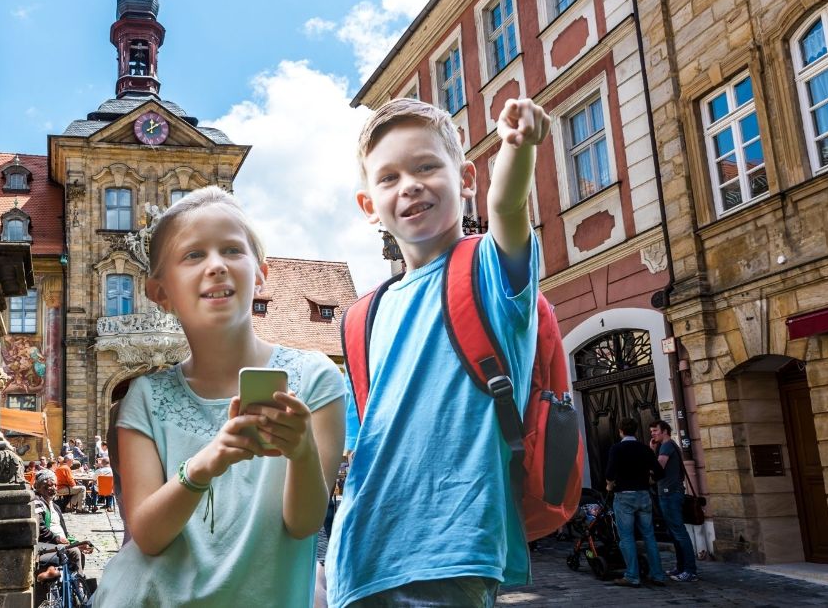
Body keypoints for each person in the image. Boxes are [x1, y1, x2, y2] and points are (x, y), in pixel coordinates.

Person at [326, 98, 550, 607]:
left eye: (427, 166)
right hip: (356, 562)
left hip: (451, 556)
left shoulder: (491, 274)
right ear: (369, 206)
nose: (409, 184)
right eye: (388, 178)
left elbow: (508, 210)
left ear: (466, 177)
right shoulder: (363, 317)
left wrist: (518, 148)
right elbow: (354, 448)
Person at [92, 186, 346, 607]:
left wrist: (300, 452)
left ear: (260, 272)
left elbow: (302, 525)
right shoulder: (145, 398)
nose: (216, 266)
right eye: (193, 255)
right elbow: (150, 537)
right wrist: (207, 463)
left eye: (232, 250)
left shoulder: (314, 377)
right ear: (161, 293)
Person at [605, 417, 666, 588]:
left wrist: (610, 484)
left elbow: (609, 473)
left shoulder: (617, 449)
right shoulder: (644, 449)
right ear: (636, 431)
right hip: (643, 495)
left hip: (624, 496)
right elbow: (659, 472)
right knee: (649, 536)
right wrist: (649, 481)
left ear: (621, 431)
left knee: (626, 537)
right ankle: (658, 575)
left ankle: (632, 575)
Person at [31, 468, 93, 601]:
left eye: (54, 485)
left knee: (80, 549)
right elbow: (40, 529)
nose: (52, 488)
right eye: (47, 486)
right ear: (39, 487)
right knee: (74, 552)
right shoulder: (37, 503)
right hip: (44, 545)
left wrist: (75, 542)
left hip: (58, 544)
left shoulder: (55, 506)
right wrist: (57, 538)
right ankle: (80, 591)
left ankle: (72, 585)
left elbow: (64, 531)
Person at [650, 420, 698, 582]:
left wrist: (651, 452)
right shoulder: (670, 445)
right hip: (670, 492)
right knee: (674, 532)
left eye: (655, 430)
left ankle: (690, 570)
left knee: (679, 532)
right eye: (652, 431)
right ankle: (681, 567)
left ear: (665, 431)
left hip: (670, 493)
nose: (653, 434)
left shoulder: (666, 446)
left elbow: (658, 468)